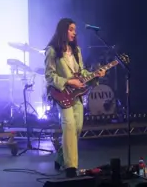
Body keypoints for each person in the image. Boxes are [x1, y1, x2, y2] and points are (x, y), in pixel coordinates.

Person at [44, 18, 106, 178]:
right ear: (63, 30)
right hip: (62, 94)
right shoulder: (52, 51)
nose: (74, 32)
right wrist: (68, 81)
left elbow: (82, 72)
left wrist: (95, 75)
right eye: (71, 29)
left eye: (75, 30)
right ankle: (71, 168)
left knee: (77, 128)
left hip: (77, 95)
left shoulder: (76, 50)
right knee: (69, 126)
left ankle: (60, 156)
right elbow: (49, 76)